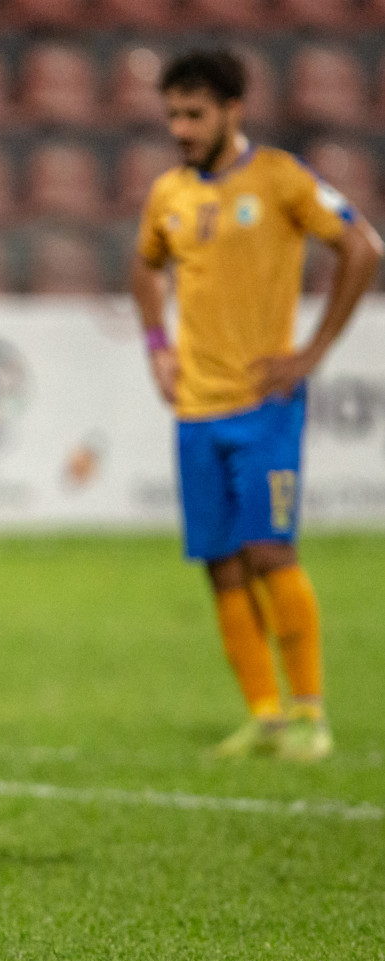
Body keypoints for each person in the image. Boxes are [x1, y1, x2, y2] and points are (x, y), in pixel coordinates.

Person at [130, 49, 382, 761]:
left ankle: (310, 714)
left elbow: (361, 248)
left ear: (231, 110)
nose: (179, 128)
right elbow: (144, 265)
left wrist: (311, 353)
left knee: (270, 549)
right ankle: (265, 717)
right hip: (193, 409)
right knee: (219, 563)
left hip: (262, 404)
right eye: (172, 114)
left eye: (193, 114)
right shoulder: (167, 195)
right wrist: (156, 343)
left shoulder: (278, 179)